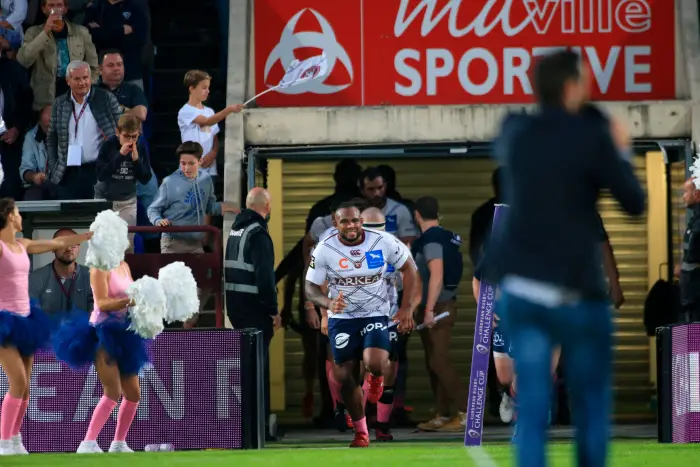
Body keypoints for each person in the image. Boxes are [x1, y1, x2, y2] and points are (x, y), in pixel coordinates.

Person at [489, 50, 645, 467]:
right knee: (590, 404)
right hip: (577, 291)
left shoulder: (515, 130)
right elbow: (633, 202)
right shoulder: (593, 136)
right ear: (572, 85)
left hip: (523, 290)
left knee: (532, 401)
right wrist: (620, 149)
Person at [305, 201, 419, 448]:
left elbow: (410, 268)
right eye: (345, 221)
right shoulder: (324, 248)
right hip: (342, 318)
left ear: (361, 222)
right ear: (335, 223)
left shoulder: (384, 241)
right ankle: (361, 432)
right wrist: (327, 305)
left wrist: (407, 308)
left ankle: (376, 379)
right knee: (345, 376)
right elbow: (311, 287)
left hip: (375, 313)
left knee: (376, 363)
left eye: (355, 220)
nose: (351, 226)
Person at [0, 197, 91, 456]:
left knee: (26, 386)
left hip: (26, 320)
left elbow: (56, 243)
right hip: (3, 321)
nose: (20, 217)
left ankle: (15, 438)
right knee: (18, 381)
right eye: (18, 212)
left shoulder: (23, 244)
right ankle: (3, 441)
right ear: (9, 216)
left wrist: (86, 236)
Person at [53, 259, 145, 454]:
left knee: (133, 394)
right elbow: (102, 303)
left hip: (125, 334)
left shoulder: (124, 265)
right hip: (102, 333)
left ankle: (118, 443)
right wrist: (131, 301)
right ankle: (88, 443)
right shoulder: (99, 268)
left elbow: (132, 297)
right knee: (113, 391)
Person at [224, 187, 282, 440]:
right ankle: (258, 429)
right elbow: (265, 276)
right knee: (258, 371)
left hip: (236, 309)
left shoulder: (236, 230)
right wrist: (273, 310)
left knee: (246, 370)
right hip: (256, 311)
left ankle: (246, 426)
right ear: (267, 207)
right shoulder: (258, 233)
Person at [410, 196, 467, 432]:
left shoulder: (432, 239)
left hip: (439, 308)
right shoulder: (445, 236)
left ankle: (467, 413)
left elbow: (437, 274)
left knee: (438, 361)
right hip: (434, 306)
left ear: (417, 215)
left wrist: (429, 309)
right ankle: (442, 414)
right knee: (433, 362)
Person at [46, 60, 121, 200]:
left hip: (98, 170)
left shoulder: (105, 98)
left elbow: (121, 131)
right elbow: (52, 137)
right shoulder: (59, 103)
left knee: (99, 212)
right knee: (70, 212)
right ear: (68, 81)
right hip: (68, 173)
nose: (82, 83)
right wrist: (54, 165)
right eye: (77, 79)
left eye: (85, 78)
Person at [16, 0, 99, 111]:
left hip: (76, 95)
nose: (55, 10)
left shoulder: (81, 33)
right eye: (51, 5)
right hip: (46, 99)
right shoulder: (33, 32)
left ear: (65, 8)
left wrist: (85, 89)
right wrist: (45, 32)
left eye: (59, 5)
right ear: (43, 9)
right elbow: (23, 60)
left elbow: (94, 68)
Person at [94, 113, 151, 244]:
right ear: (117, 133)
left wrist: (136, 161)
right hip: (105, 201)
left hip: (127, 202)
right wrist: (120, 155)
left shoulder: (140, 146)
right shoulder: (108, 145)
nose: (130, 141)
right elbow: (101, 175)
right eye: (126, 136)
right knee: (104, 244)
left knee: (126, 245)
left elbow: (145, 178)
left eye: (134, 137)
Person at [178, 69, 243, 181]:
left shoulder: (209, 111)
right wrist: (229, 109)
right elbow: (207, 121)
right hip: (192, 171)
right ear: (192, 89)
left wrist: (213, 153)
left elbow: (214, 137)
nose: (207, 91)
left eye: (208, 88)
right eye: (204, 88)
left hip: (210, 170)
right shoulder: (185, 111)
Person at [29, 228, 93, 314]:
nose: (69, 248)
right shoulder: (36, 278)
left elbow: (96, 314)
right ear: (52, 248)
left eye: (73, 244)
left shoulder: (91, 276)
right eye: (63, 244)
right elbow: (31, 314)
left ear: (79, 247)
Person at [0, 52, 34, 200]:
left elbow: (26, 101)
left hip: (8, 141)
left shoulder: (13, 69)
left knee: (10, 190)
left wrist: (17, 127)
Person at [360, 166, 418, 245]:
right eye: (371, 189)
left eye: (380, 188)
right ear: (362, 191)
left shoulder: (399, 210)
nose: (376, 193)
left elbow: (408, 242)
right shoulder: (356, 212)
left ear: (385, 186)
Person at [677, 177, 700, 322]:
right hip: (691, 296)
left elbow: (693, 254)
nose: (683, 196)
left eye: (686, 192)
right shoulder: (695, 220)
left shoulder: (698, 223)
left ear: (696, 194)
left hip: (696, 297)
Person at [19, 105, 51, 201]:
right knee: (31, 197)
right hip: (42, 184)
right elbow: (25, 169)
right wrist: (34, 177)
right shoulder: (30, 137)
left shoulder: (71, 132)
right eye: (47, 127)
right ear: (40, 122)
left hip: (65, 184)